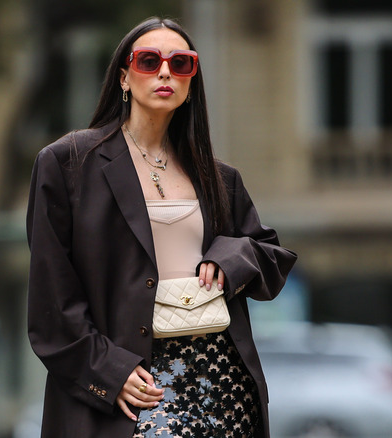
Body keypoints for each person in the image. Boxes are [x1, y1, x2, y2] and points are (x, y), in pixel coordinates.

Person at [26, 17, 297, 438]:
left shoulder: (218, 177)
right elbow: (52, 300)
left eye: (181, 63)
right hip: (134, 381)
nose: (166, 72)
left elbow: (271, 256)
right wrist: (108, 370)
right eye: (149, 61)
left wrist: (230, 257)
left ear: (192, 82)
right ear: (124, 77)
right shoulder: (69, 164)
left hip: (220, 376)